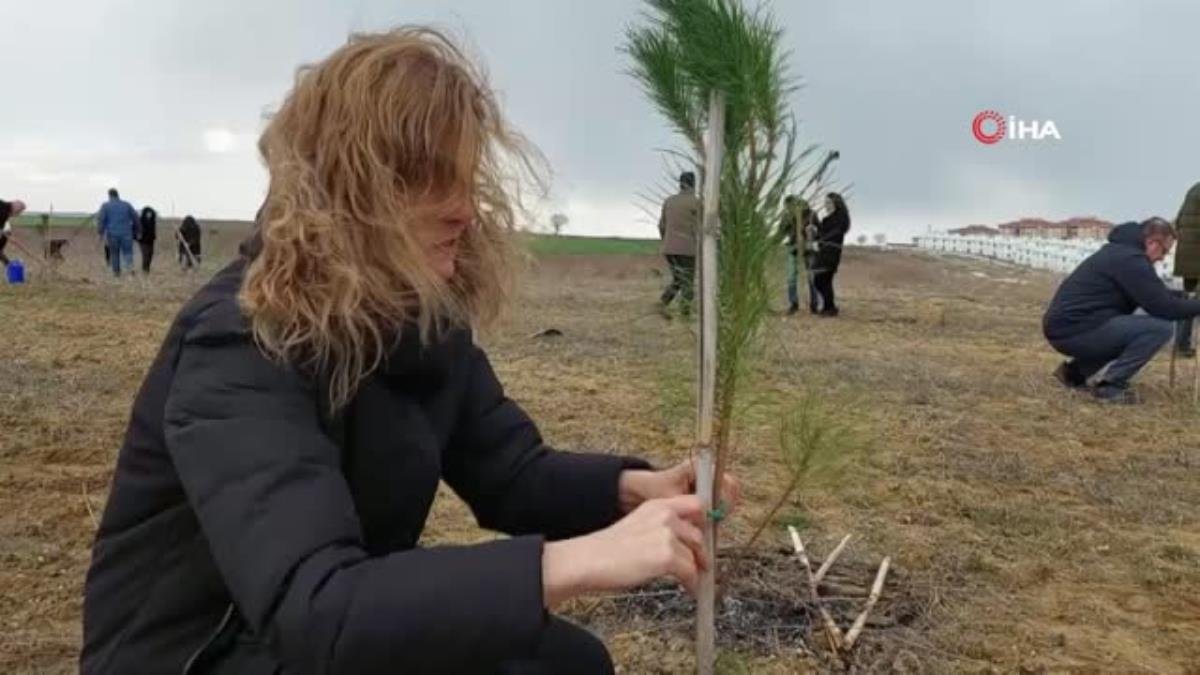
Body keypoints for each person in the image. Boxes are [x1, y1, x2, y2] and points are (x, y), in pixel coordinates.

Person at [81, 28, 738, 675]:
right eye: (430, 180)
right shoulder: (240, 340)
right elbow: (318, 605)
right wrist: (583, 559)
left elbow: (510, 473)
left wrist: (635, 491)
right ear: (353, 190)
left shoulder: (419, 319)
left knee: (567, 662)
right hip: (203, 650)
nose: (464, 211)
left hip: (321, 633)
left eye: (465, 176)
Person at [1043, 218, 1200, 403]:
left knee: (1124, 331)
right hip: (1075, 330)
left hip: (1068, 327)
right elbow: (1165, 308)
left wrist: (1183, 297)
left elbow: (1152, 293)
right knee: (1159, 328)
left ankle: (1074, 373)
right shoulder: (1131, 260)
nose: (1162, 258)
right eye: (1164, 251)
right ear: (1152, 242)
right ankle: (1110, 387)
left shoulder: (1121, 253)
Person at [657, 171, 701, 317]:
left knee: (678, 278)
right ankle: (685, 312)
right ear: (694, 184)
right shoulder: (697, 202)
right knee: (687, 280)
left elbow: (661, 225)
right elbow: (701, 226)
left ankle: (663, 303)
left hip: (669, 248)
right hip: (687, 248)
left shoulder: (669, 201)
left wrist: (666, 241)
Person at [1171, 181, 1200, 357]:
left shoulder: (1194, 189)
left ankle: (1181, 343)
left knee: (1188, 300)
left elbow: (1179, 220)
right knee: (1193, 301)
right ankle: (1182, 344)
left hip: (1186, 254)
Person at [777, 195, 819, 315]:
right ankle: (794, 304)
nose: (788, 208)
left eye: (790, 206)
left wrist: (813, 235)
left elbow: (819, 230)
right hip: (793, 248)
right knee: (791, 277)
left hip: (809, 248)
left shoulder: (811, 214)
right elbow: (780, 233)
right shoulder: (786, 216)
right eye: (787, 207)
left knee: (811, 277)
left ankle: (814, 304)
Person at [812, 192, 851, 317]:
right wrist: (814, 232)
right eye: (825, 202)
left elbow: (837, 232)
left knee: (821, 279)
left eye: (828, 202)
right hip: (823, 251)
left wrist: (822, 239)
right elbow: (821, 235)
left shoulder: (841, 216)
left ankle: (830, 308)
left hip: (832, 252)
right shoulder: (826, 219)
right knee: (824, 280)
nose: (826, 205)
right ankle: (829, 307)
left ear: (836, 203)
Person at [96, 188, 139, 277]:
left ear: (109, 195)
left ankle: (116, 273)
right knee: (128, 252)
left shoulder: (105, 206)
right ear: (117, 194)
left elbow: (101, 220)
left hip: (112, 234)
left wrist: (100, 233)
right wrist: (137, 230)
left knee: (114, 254)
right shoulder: (127, 205)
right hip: (127, 233)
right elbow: (136, 218)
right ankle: (130, 269)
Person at [0, 198, 27, 267]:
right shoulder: (3, 212)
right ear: (15, 209)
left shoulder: (4, 208)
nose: (18, 214)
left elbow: (3, 229)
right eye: (19, 212)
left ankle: (9, 265)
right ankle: (9, 265)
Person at [138, 205, 158, 273]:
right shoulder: (141, 220)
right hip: (143, 241)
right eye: (148, 213)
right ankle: (144, 269)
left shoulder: (152, 221)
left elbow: (153, 231)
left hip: (150, 241)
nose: (149, 215)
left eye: (150, 213)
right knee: (145, 255)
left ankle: (147, 268)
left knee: (150, 254)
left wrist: (154, 236)